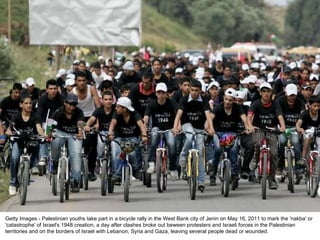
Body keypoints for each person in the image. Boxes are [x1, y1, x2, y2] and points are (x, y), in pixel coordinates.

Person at [172, 80, 214, 191]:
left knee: (200, 153)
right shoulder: (185, 99)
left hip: (199, 127)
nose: (194, 93)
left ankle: (201, 181)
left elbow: (208, 115)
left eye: (196, 91)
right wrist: (176, 127)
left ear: (200, 91)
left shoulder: (204, 100)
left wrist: (211, 128)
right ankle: (183, 154)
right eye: (192, 90)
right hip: (187, 124)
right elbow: (179, 114)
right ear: (189, 90)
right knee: (190, 137)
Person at [247, 82, 286, 190]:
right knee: (257, 143)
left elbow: (280, 116)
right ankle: (255, 158)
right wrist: (250, 126)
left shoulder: (275, 104)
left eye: (268, 91)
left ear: (271, 93)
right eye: (263, 91)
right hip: (258, 129)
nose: (266, 94)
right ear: (260, 93)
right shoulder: (256, 103)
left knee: (274, 154)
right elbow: (249, 116)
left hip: (271, 130)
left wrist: (282, 127)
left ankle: (272, 179)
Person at [209, 88, 250, 186]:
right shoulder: (218, 107)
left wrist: (248, 127)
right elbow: (210, 119)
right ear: (223, 98)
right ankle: (213, 173)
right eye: (226, 99)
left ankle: (234, 174)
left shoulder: (237, 108)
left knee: (234, 150)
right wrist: (209, 128)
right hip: (217, 133)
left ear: (234, 100)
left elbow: (244, 118)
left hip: (231, 133)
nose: (228, 102)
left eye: (230, 100)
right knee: (218, 149)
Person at [6, 94, 45, 196]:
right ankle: (13, 183)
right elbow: (10, 129)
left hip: (31, 141)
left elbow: (39, 128)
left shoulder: (36, 116)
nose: (29, 105)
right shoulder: (16, 116)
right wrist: (9, 132)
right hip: (18, 141)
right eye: (26, 103)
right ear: (21, 105)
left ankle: (33, 166)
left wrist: (43, 135)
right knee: (14, 157)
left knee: (37, 146)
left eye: (30, 103)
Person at [50, 93, 85, 193]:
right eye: (69, 104)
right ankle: (55, 162)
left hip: (74, 134)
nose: (71, 107)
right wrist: (49, 133)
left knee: (76, 154)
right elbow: (52, 125)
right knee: (55, 143)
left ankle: (75, 180)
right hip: (60, 132)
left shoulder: (79, 112)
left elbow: (80, 123)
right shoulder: (59, 112)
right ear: (65, 103)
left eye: (74, 105)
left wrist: (80, 132)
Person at [108, 97, 148, 183]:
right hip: (118, 138)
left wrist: (144, 135)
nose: (116, 108)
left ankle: (135, 170)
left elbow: (141, 125)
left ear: (124, 109)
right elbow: (112, 124)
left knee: (132, 154)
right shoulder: (116, 114)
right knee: (116, 153)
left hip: (133, 138)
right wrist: (110, 133)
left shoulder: (135, 114)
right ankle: (117, 174)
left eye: (118, 107)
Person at [143, 83, 178, 180]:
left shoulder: (172, 102)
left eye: (163, 92)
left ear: (166, 94)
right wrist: (144, 127)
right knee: (153, 138)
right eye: (159, 92)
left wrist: (177, 127)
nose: (161, 94)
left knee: (172, 144)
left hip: (169, 129)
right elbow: (146, 117)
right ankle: (152, 163)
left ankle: (173, 168)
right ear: (156, 93)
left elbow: (178, 115)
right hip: (156, 128)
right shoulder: (152, 104)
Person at [72, 71, 101, 181]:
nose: (81, 83)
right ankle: (75, 170)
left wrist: (98, 123)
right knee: (78, 144)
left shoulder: (91, 89)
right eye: (79, 81)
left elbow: (98, 107)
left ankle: (91, 170)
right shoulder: (73, 92)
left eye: (83, 80)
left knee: (93, 145)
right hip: (78, 119)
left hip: (91, 117)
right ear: (76, 82)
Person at [275, 83, 305, 181]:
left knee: (296, 144)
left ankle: (298, 170)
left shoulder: (300, 101)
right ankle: (279, 167)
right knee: (282, 143)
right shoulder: (280, 101)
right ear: (286, 94)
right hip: (284, 127)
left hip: (295, 128)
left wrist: (299, 127)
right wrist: (283, 127)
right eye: (290, 95)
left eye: (294, 95)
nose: (292, 97)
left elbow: (302, 115)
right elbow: (279, 115)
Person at [36, 79, 64, 167]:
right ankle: (43, 156)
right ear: (47, 89)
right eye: (51, 89)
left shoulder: (61, 99)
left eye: (55, 88)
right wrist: (40, 126)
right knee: (45, 135)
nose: (53, 91)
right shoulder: (42, 99)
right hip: (45, 121)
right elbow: (39, 115)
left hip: (58, 122)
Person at [84, 91, 115, 172]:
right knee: (100, 149)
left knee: (115, 152)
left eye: (110, 99)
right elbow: (92, 118)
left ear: (113, 100)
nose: (108, 101)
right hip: (101, 133)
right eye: (106, 99)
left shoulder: (116, 110)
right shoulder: (99, 110)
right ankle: (99, 162)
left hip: (114, 134)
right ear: (102, 100)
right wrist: (87, 125)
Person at [296, 95, 320, 166]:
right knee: (309, 136)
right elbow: (298, 123)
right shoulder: (305, 114)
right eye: (314, 106)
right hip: (307, 135)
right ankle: (303, 158)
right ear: (309, 106)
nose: (316, 108)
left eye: (318, 106)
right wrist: (299, 129)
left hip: (318, 134)